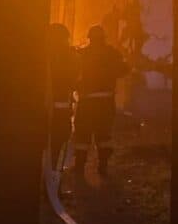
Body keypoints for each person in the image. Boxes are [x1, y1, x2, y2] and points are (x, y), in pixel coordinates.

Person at [72, 24, 127, 177]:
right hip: (106, 102)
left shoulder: (82, 54)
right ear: (103, 38)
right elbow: (124, 69)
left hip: (87, 102)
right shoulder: (112, 53)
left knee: (82, 135)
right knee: (104, 135)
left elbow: (72, 73)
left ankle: (79, 167)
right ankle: (103, 166)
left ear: (89, 38)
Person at [47, 23, 78, 186]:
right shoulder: (70, 56)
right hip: (61, 110)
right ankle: (53, 185)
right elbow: (75, 80)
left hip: (41, 112)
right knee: (58, 149)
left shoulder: (41, 55)